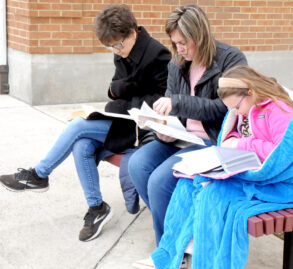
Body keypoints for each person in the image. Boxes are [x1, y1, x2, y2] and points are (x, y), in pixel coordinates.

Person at [0, 4, 171, 242]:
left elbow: (160, 101)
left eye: (118, 44)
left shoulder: (158, 54)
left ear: (133, 32)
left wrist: (123, 93)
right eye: (110, 46)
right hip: (123, 120)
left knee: (79, 127)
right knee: (81, 145)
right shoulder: (121, 49)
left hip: (143, 128)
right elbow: (114, 90)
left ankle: (39, 174)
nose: (115, 50)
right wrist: (118, 93)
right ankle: (97, 207)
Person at [151, 65, 293, 269]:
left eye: (236, 107)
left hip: (281, 182)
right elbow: (239, 132)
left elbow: (282, 151)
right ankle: (192, 263)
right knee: (189, 183)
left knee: (215, 195)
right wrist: (233, 139)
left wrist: (241, 143)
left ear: (250, 91)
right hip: (250, 173)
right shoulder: (247, 107)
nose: (236, 113)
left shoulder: (278, 109)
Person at [128, 4, 247, 269]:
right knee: (137, 164)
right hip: (181, 137)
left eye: (183, 42)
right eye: (175, 43)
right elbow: (174, 107)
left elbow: (225, 108)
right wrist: (163, 128)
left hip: (214, 141)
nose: (179, 49)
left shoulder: (230, 59)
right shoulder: (177, 63)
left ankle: (172, 250)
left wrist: (178, 104)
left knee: (160, 181)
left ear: (200, 34)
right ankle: (179, 238)